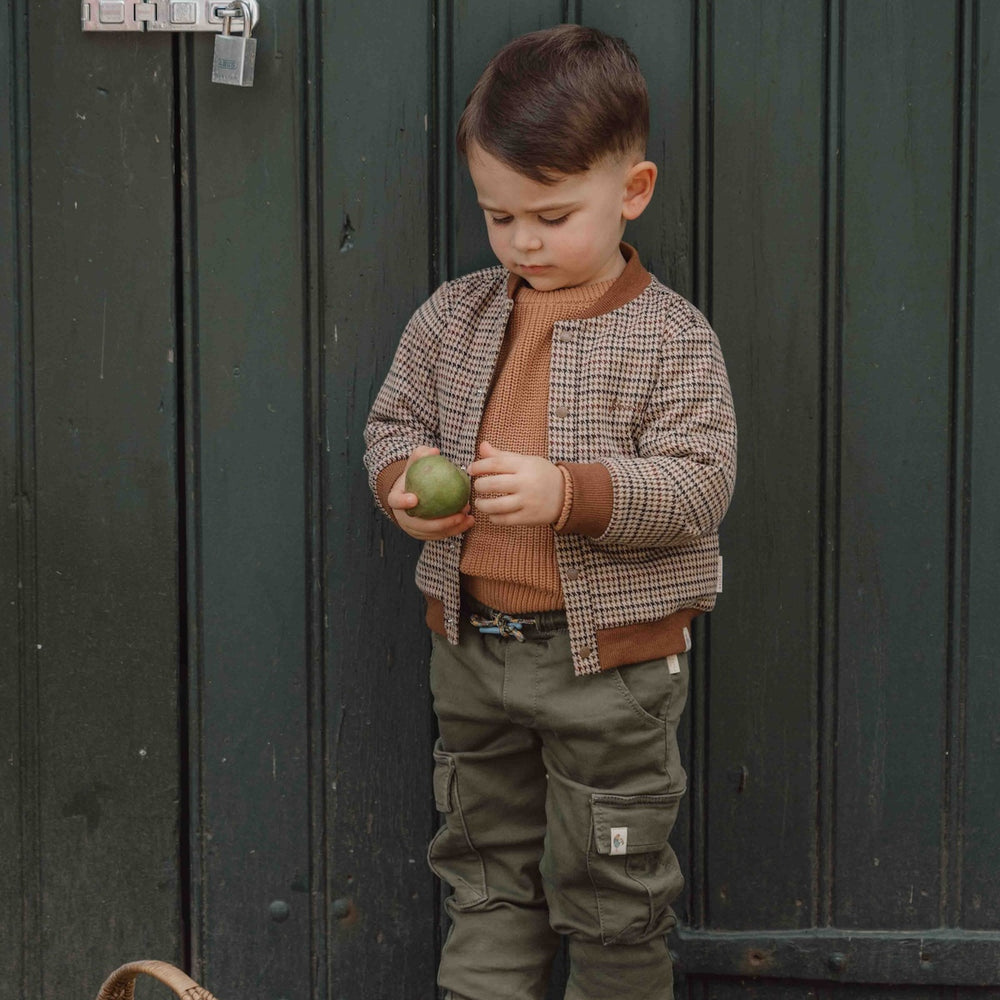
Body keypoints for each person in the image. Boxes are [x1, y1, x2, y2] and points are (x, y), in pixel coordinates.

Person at [364, 23, 737, 1000]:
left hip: (609, 672)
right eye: (500, 217)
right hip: (472, 656)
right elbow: (392, 420)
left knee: (611, 889)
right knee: (482, 875)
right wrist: (401, 480)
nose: (524, 241)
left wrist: (565, 491)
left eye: (552, 215)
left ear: (633, 191)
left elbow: (700, 481)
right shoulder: (455, 315)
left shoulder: (669, 338)